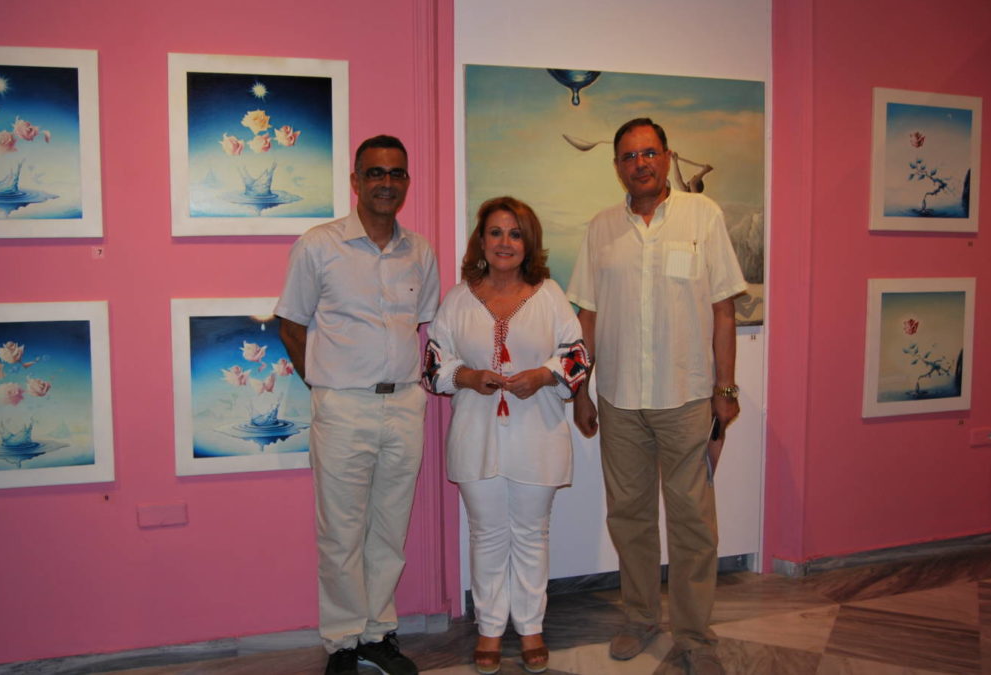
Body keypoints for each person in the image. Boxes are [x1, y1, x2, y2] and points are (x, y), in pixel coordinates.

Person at [567, 118, 746, 675]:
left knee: (693, 523)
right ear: (616, 166)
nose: (639, 163)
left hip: (687, 398)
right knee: (630, 518)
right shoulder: (601, 228)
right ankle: (641, 618)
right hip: (619, 399)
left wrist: (725, 389)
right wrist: (580, 391)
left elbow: (723, 309)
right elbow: (588, 316)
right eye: (628, 156)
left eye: (648, 153)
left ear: (667, 158)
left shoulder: (703, 216)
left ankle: (694, 634)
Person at [276, 135, 440, 675]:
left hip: (404, 404)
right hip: (342, 406)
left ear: (407, 182)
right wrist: (324, 384)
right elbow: (290, 324)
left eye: (396, 173)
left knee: (390, 528)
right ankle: (343, 642)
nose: (386, 183)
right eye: (375, 173)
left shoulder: (420, 252)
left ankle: (377, 633)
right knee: (341, 531)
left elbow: (423, 324)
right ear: (355, 181)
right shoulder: (319, 246)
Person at [422, 196, 589, 675]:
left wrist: (544, 375)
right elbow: (433, 366)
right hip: (475, 437)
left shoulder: (550, 295)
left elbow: (577, 357)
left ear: (528, 243)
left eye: (515, 234)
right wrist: (467, 377)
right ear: (481, 240)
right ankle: (491, 628)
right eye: (495, 232)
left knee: (532, 534)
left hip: (538, 434)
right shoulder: (458, 298)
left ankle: (531, 625)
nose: (505, 242)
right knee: (487, 534)